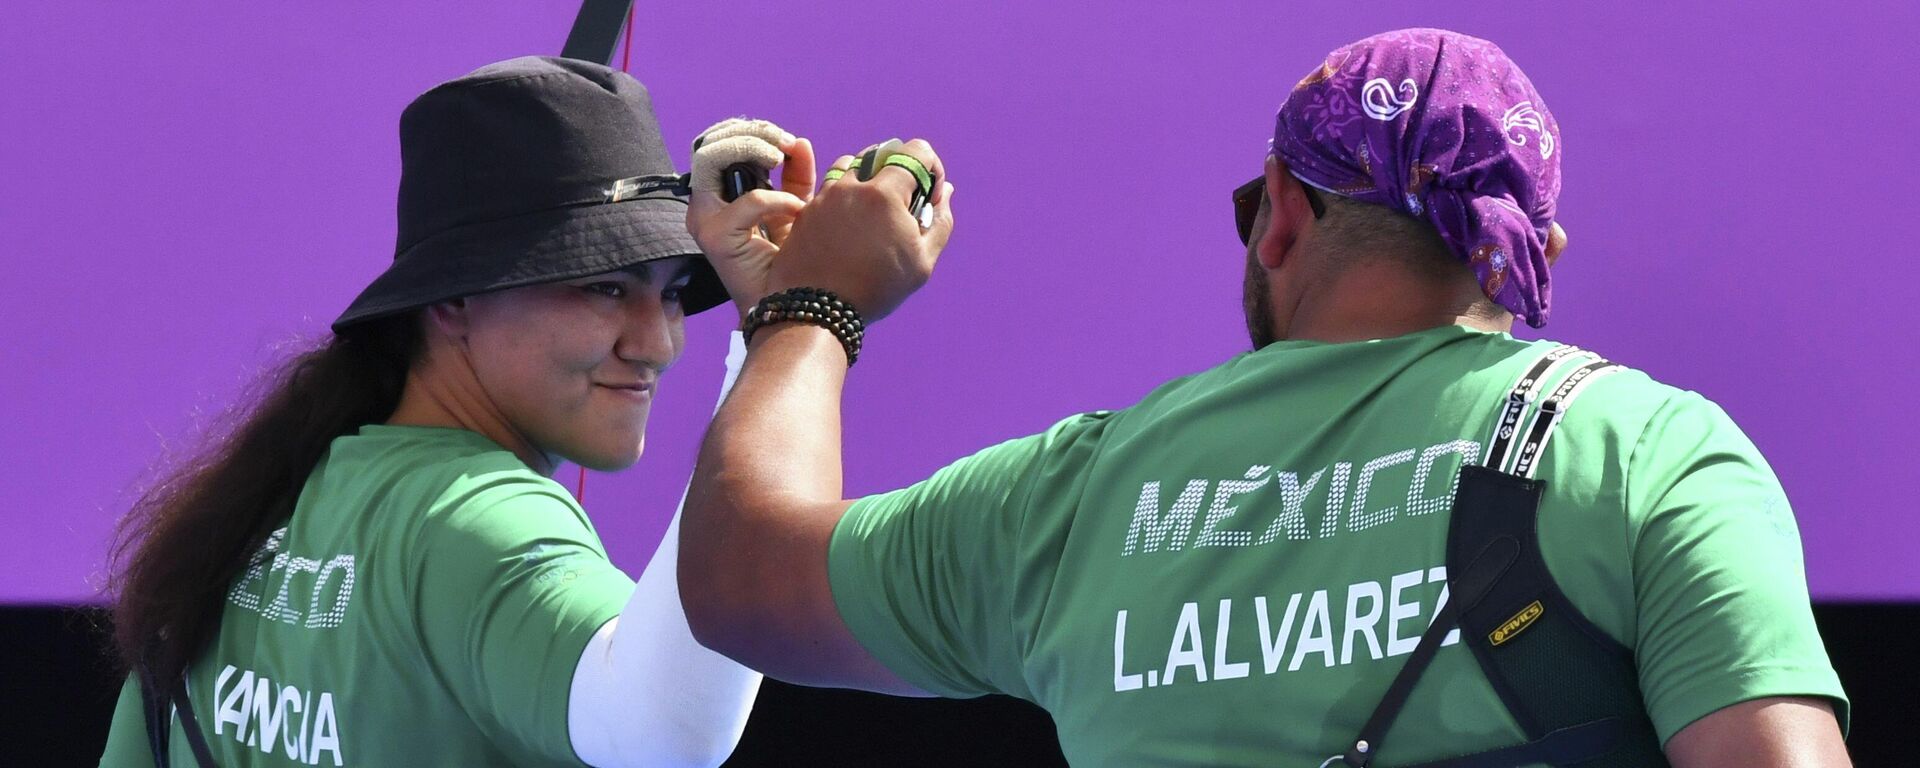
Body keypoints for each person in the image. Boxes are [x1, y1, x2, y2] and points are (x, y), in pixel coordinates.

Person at [676, 29, 1852, 767]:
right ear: (1530, 247)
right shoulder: (1649, 451)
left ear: (1283, 210)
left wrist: (812, 305)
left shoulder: (1075, 501)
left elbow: (738, 583)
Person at [100, 57, 766, 766]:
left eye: (672, 291)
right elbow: (668, 732)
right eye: (605, 288)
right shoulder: (475, 518)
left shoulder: (258, 514)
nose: (657, 343)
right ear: (453, 303)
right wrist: (792, 328)